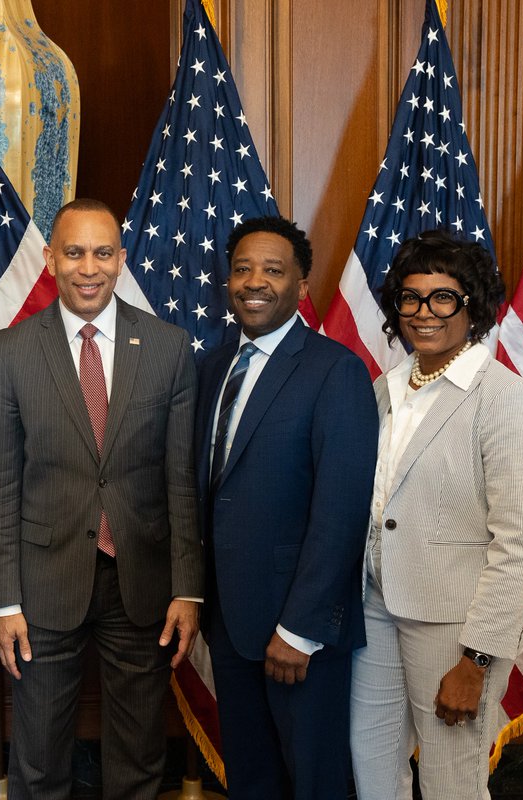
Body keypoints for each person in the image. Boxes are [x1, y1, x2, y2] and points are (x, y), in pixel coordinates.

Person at [0, 198, 203, 800]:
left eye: (102, 253)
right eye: (74, 252)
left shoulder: (168, 346)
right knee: (39, 759)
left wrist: (187, 588)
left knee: (137, 758)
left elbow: (181, 478)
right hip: (42, 584)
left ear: (121, 259)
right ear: (50, 258)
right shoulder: (9, 351)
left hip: (143, 582)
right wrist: (2, 601)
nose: (88, 267)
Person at [350, 229, 523, 799]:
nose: (424, 312)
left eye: (443, 297)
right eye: (410, 298)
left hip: (455, 628)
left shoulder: (503, 397)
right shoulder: (385, 390)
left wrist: (478, 658)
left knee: (451, 785)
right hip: (375, 608)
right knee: (373, 772)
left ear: (473, 304)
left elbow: (517, 543)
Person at [195, 215, 378, 798]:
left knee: (315, 781)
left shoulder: (336, 370)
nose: (255, 281)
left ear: (301, 284)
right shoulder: (213, 366)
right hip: (229, 621)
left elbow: (341, 511)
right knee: (251, 780)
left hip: (298, 631)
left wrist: (300, 630)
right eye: (243, 268)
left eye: (273, 270)